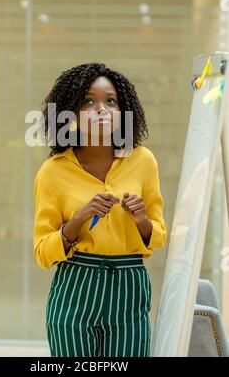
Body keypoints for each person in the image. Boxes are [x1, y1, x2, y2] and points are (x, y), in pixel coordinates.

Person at [33, 62, 167, 357]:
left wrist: (141, 220)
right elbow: (43, 253)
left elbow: (157, 237)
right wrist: (78, 219)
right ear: (70, 111)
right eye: (88, 102)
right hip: (75, 287)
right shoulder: (53, 172)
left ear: (123, 111)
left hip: (128, 286)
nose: (101, 109)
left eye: (110, 102)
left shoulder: (143, 161)